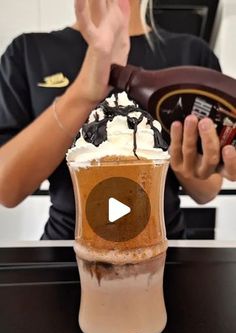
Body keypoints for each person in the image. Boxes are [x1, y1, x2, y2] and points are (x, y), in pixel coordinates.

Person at [0, 0, 233, 240]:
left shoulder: (192, 54)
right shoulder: (28, 52)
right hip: (65, 251)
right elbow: (6, 189)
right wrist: (82, 94)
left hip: (163, 253)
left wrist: (186, 159)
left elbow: (207, 191)